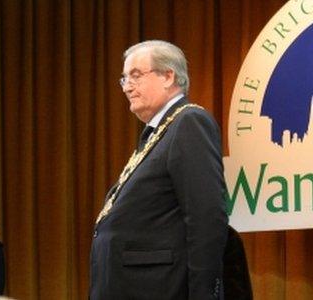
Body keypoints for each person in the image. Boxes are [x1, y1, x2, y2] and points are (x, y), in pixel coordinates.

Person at [90, 40, 228, 299]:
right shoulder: (158, 133)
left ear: (168, 76)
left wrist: (204, 295)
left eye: (136, 75)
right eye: (124, 79)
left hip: (160, 288)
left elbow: (206, 217)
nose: (127, 86)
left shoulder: (189, 122)